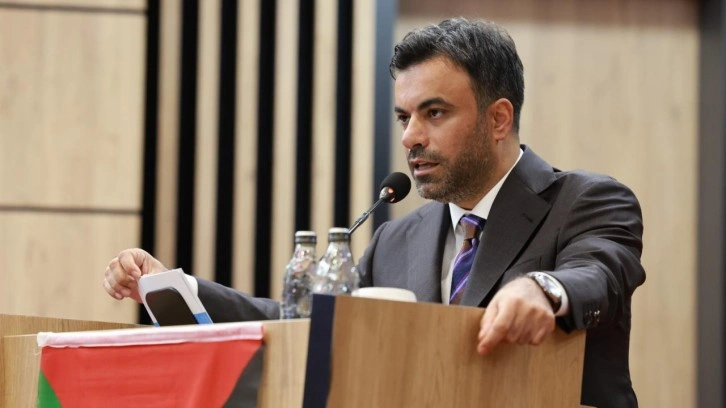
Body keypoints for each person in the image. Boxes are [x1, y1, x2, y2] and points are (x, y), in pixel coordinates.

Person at [103, 18, 645, 407]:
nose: (410, 137)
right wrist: (177, 288)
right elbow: (307, 327)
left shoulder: (586, 201)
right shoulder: (397, 240)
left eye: (434, 113)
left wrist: (545, 289)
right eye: (405, 117)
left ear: (499, 118)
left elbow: (599, 272)